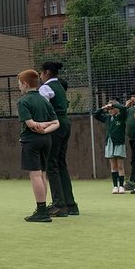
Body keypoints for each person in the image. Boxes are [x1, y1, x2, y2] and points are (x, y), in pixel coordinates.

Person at [16, 69, 60, 222]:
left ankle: (41, 210)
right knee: (43, 174)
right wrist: (46, 129)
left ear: (25, 84)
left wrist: (40, 128)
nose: (19, 87)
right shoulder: (44, 100)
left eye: (20, 84)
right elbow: (56, 123)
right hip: (46, 141)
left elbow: (30, 124)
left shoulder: (23, 101)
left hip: (31, 141)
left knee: (35, 174)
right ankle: (43, 209)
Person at [39, 60, 78, 217]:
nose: (40, 76)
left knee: (51, 165)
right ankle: (70, 204)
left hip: (54, 126)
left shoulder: (46, 87)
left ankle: (59, 205)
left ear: (47, 72)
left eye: (41, 73)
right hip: (65, 124)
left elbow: (43, 107)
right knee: (61, 164)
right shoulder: (60, 86)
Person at [93, 99, 128, 194]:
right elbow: (95, 114)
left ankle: (121, 186)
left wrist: (115, 105)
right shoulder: (107, 118)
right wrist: (103, 107)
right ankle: (115, 186)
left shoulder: (121, 116)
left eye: (113, 108)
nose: (111, 110)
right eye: (109, 109)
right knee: (113, 165)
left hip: (119, 143)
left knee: (120, 165)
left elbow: (124, 109)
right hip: (110, 143)